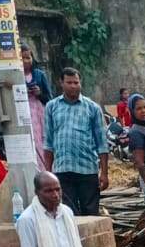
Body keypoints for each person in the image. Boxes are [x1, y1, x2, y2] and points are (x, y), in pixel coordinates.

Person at [44, 67, 110, 216]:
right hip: (62, 170)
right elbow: (48, 142)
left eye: (76, 82)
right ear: (61, 83)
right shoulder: (51, 107)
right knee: (67, 214)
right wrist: (48, 173)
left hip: (87, 169)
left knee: (91, 213)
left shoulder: (92, 108)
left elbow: (102, 144)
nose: (73, 86)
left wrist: (104, 173)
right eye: (69, 82)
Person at [20, 44, 52, 163]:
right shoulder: (15, 77)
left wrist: (39, 93)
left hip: (39, 113)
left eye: (28, 57)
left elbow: (49, 98)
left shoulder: (39, 74)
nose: (26, 61)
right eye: (22, 58)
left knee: (41, 140)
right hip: (22, 112)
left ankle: (46, 167)